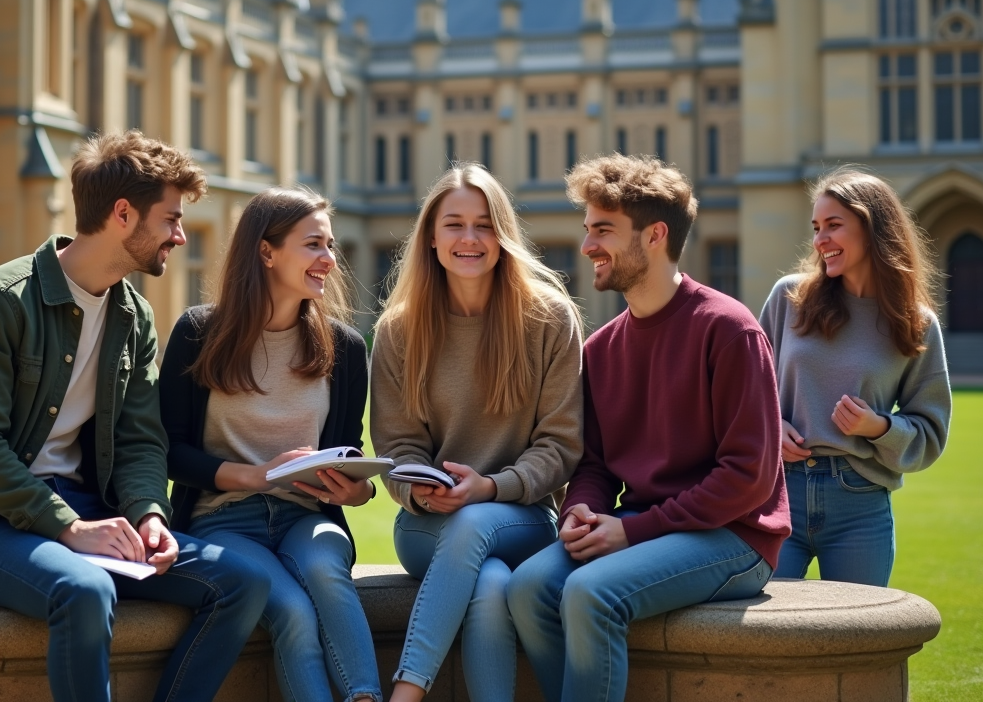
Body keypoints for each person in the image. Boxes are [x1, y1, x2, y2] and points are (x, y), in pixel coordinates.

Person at [0, 130, 269, 702]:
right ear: (123, 214)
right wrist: (69, 528)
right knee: (82, 589)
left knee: (244, 583)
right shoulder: (2, 300)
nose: (179, 235)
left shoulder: (134, 317)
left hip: (90, 510)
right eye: (171, 220)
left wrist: (150, 515)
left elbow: (140, 441)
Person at [507, 153, 791, 702]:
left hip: (736, 536)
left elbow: (749, 478)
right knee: (527, 588)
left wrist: (632, 531)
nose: (588, 245)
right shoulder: (601, 348)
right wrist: (581, 511)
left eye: (604, 231)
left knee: (590, 592)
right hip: (645, 524)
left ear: (655, 235)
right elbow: (593, 464)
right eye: (588, 230)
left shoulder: (730, 330)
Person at [370, 164, 584, 702]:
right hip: (426, 525)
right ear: (432, 239)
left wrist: (491, 487)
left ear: (503, 234)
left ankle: (407, 691)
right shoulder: (398, 330)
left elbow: (561, 444)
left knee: (477, 525)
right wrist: (416, 488)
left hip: (525, 516)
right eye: (454, 225)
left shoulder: (549, 317)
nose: (470, 239)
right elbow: (395, 447)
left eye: (485, 224)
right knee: (488, 586)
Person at [160, 187, 381, 702]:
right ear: (266, 251)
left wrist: (356, 492)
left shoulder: (344, 347)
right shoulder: (198, 332)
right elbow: (169, 450)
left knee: (327, 573)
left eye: (330, 246)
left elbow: (349, 448)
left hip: (308, 517)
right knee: (293, 613)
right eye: (313, 245)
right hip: (221, 519)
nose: (329, 259)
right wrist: (256, 475)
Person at [761, 168, 950, 587]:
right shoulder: (789, 299)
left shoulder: (915, 324)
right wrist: (772, 427)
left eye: (833, 225)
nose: (819, 240)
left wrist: (879, 427)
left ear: (872, 228)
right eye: (815, 228)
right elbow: (746, 392)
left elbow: (931, 431)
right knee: (760, 637)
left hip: (860, 503)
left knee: (858, 644)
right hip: (779, 494)